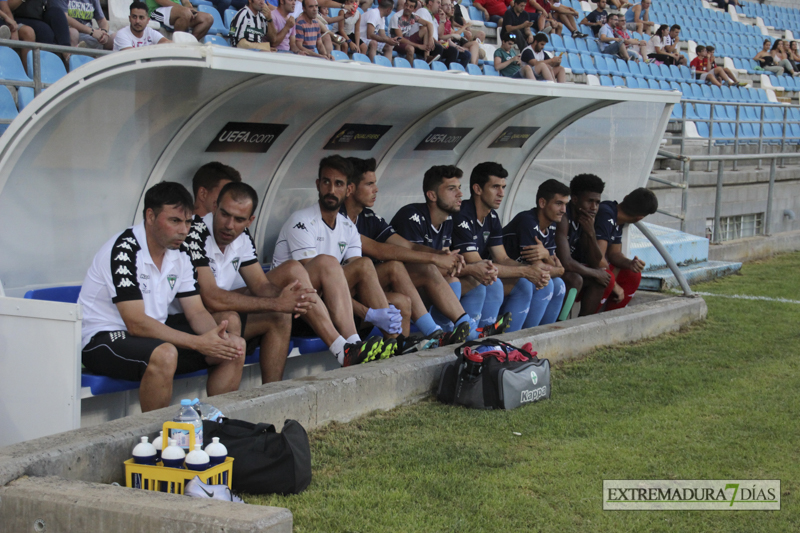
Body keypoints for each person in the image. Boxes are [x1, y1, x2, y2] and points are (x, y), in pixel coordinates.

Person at [78, 182, 246, 413]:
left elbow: (196, 311)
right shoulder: (123, 250)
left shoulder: (180, 253)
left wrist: (213, 339)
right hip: (104, 338)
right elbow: (135, 323)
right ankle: (162, 441)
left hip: (154, 335)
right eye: (174, 221)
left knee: (233, 347)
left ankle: (217, 427)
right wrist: (198, 343)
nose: (184, 230)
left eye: (188, 222)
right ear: (150, 216)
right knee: (165, 354)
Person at [183, 181, 352, 382]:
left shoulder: (242, 235)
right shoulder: (194, 231)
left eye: (239, 219)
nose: (229, 225)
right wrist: (277, 303)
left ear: (250, 220)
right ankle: (343, 348)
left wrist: (290, 300)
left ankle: (272, 392)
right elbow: (211, 298)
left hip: (225, 312)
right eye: (225, 214)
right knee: (235, 319)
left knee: (282, 305)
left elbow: (260, 285)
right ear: (214, 208)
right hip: (191, 316)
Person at [272, 155, 400, 363]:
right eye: (326, 182)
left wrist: (378, 310)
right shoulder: (301, 221)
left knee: (365, 265)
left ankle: (393, 346)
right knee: (327, 263)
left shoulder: (348, 226)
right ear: (318, 185)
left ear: (348, 190)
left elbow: (356, 277)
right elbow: (310, 286)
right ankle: (354, 345)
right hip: (297, 308)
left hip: (333, 305)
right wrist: (368, 313)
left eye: (338, 184)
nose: (331, 190)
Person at [341, 157, 473, 349]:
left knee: (416, 283)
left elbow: (407, 246)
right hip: (342, 293)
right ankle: (434, 333)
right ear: (350, 188)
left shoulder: (369, 217)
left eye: (375, 183)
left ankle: (460, 326)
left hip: (368, 289)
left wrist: (440, 255)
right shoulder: (339, 217)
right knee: (394, 266)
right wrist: (435, 257)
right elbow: (381, 250)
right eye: (369, 184)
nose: (376, 189)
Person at [453, 163, 554, 334]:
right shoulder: (462, 215)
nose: (501, 193)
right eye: (495, 187)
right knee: (494, 284)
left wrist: (533, 270)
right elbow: (479, 266)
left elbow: (503, 258)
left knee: (531, 284)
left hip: (475, 276)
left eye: (503, 187)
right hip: (454, 278)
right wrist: (526, 272)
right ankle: (477, 342)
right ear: (477, 189)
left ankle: (515, 342)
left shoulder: (491, 216)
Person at [390, 165, 482, 339]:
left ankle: (471, 330)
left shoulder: (447, 221)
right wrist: (463, 266)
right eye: (451, 189)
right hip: (399, 288)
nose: (460, 194)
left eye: (459, 188)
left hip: (423, 289)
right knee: (450, 278)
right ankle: (451, 333)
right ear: (431, 195)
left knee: (474, 281)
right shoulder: (411, 216)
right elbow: (414, 267)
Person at [501, 179, 568, 328]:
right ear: (542, 203)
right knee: (545, 284)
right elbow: (540, 270)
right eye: (558, 203)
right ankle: (525, 336)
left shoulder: (550, 226)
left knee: (559, 284)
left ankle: (542, 336)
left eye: (565, 204)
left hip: (521, 275)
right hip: (500, 274)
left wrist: (545, 255)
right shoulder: (528, 221)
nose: (563, 209)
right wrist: (559, 269)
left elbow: (547, 262)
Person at [554, 173, 613, 317]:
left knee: (600, 280)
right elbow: (566, 263)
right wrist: (595, 273)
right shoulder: (563, 217)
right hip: (548, 269)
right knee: (575, 279)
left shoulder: (586, 220)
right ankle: (559, 324)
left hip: (561, 270)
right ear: (574, 199)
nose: (594, 207)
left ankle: (583, 324)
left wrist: (591, 233)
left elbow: (595, 262)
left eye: (597, 202)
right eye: (590, 201)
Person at [594, 187, 658, 312]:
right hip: (580, 264)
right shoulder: (606, 214)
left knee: (632, 274)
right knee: (607, 275)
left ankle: (612, 317)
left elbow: (615, 253)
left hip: (594, 265)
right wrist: (615, 285)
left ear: (626, 197)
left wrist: (630, 263)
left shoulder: (617, 218)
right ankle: (589, 319)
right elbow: (598, 260)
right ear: (639, 218)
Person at [415, 0, 469, 67]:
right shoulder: (423, 11)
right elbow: (425, 31)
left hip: (433, 44)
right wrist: (437, 42)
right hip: (421, 43)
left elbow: (439, 35)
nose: (440, 6)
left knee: (453, 51)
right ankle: (434, 70)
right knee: (439, 48)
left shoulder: (433, 17)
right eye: (438, 3)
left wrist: (442, 20)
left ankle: (446, 72)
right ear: (430, 2)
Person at [50, 0, 114, 50]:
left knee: (116, 37)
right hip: (68, 31)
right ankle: (73, 62)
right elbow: (65, 18)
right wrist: (91, 31)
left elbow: (102, 20)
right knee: (73, 33)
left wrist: (104, 33)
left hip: (90, 32)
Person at [146, 0, 213, 41]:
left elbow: (185, 1)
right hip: (157, 10)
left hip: (178, 11)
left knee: (208, 18)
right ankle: (177, 46)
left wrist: (190, 8)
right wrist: (183, 9)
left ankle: (189, 44)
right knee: (185, 13)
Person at [439, 0, 480, 65]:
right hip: (441, 45)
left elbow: (448, 39)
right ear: (440, 6)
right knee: (455, 51)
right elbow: (441, 36)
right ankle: (448, 70)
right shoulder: (440, 19)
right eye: (446, 5)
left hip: (449, 44)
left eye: (451, 6)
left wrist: (456, 46)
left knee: (468, 54)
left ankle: (468, 70)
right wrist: (465, 27)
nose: (450, 8)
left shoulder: (448, 22)